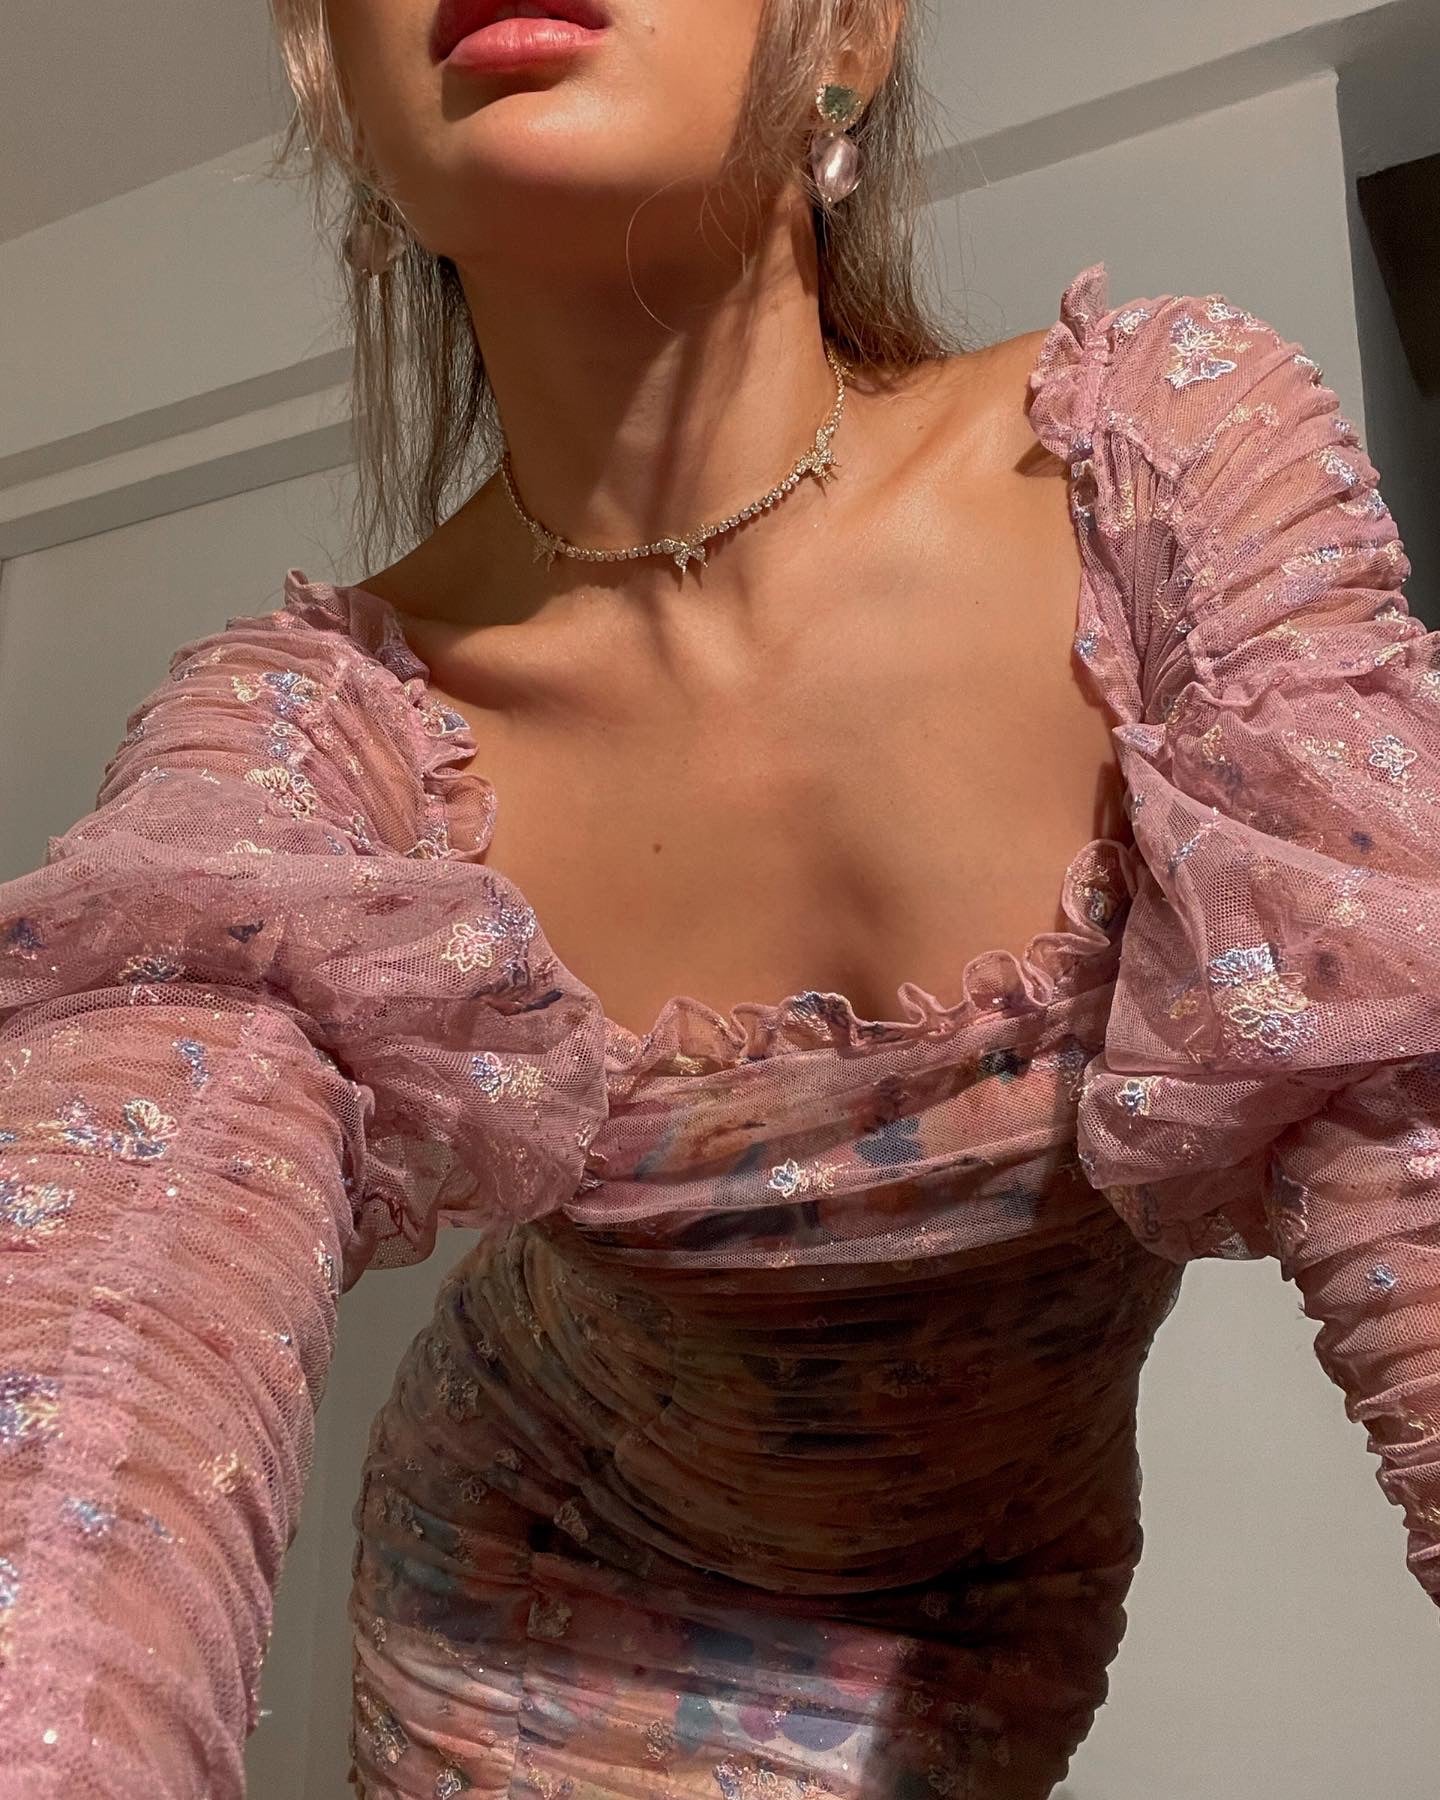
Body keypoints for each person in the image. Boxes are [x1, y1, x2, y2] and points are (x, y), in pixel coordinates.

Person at [1, 0, 1436, 1794]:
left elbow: (1410, 1110)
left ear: (847, 36)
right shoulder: (307, 738)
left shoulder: (1161, 462)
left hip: (978, 1608)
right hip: (519, 1590)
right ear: (343, 105)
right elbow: (85, 1397)